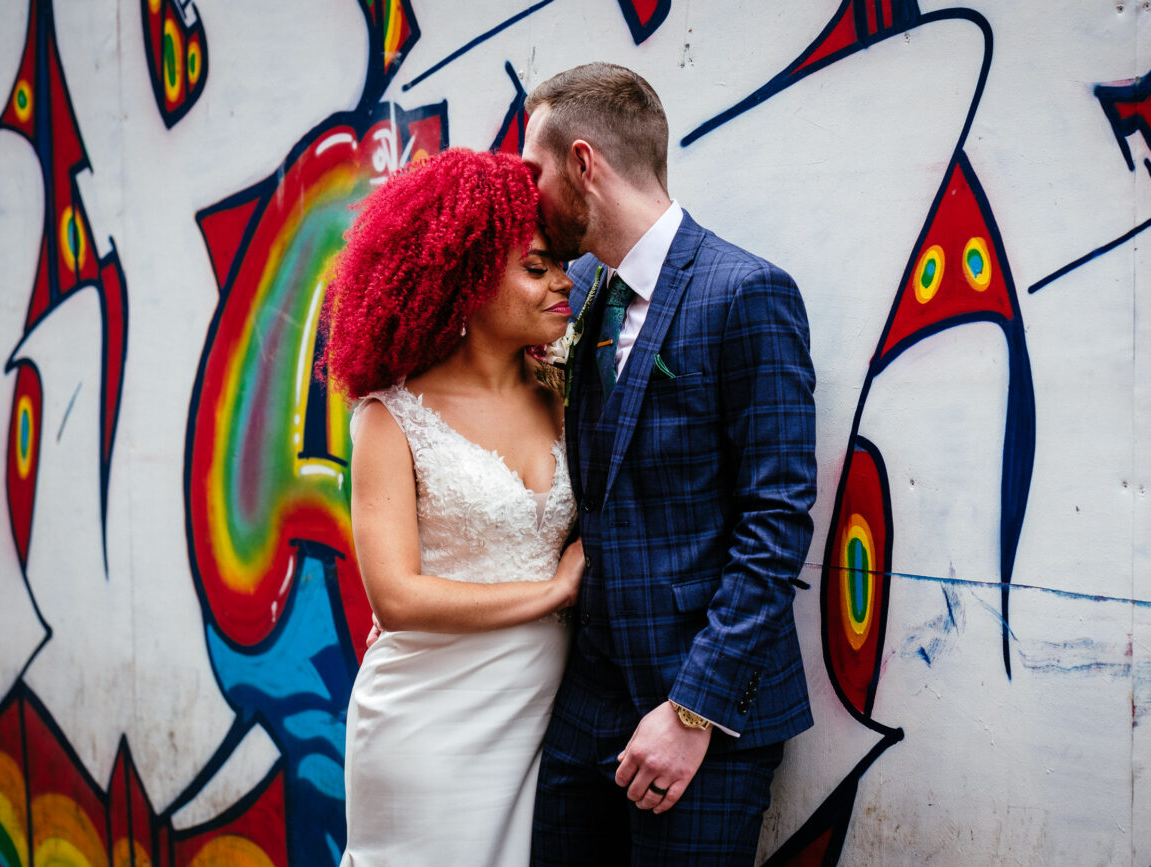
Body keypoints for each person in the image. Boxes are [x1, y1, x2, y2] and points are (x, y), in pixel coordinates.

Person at [522, 63, 818, 864]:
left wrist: (693, 710)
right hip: (584, 699)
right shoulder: (578, 288)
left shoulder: (745, 293)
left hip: (703, 711)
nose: (527, 196)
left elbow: (776, 524)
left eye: (534, 171)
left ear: (583, 163)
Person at [322, 148, 583, 866]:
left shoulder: (566, 394)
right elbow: (396, 597)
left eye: (560, 265)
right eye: (536, 267)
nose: (564, 281)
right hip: (426, 725)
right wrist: (555, 590)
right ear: (466, 280)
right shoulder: (392, 417)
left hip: (542, 722)